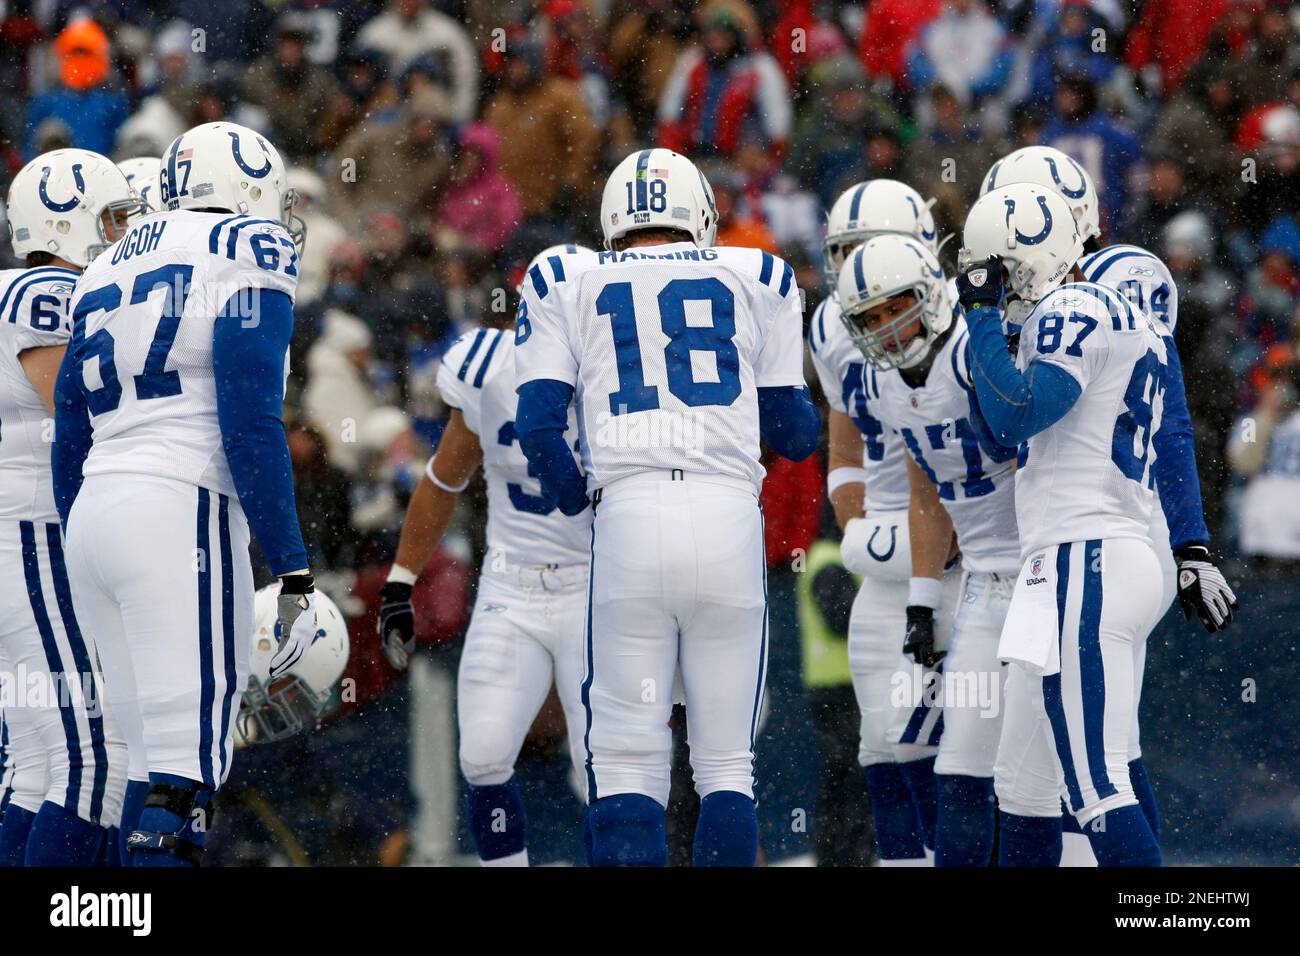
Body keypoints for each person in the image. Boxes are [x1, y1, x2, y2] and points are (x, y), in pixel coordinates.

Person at [513, 147, 819, 866]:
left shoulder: (568, 277)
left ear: (613, 220)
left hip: (627, 514)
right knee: (724, 767)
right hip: (726, 518)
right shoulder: (759, 274)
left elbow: (536, 424)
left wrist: (581, 499)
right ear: (702, 216)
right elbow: (797, 435)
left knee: (623, 761)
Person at [51, 122, 318, 866]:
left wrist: (89, 527)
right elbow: (249, 419)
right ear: (244, 189)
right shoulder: (247, 249)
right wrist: (292, 565)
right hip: (178, 507)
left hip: (98, 511)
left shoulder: (104, 267)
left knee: (141, 764)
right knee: (184, 777)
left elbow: (70, 425)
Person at [956, 182, 1236, 866]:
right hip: (1084, 559)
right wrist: (1191, 545)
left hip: (1086, 556)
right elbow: (1006, 432)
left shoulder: (1076, 305)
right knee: (1022, 786)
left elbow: (1017, 414)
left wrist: (981, 320)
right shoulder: (1125, 322)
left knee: (1096, 785)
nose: (1004, 288)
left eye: (1009, 272)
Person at [376, 244, 594, 867]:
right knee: (483, 754)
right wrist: (400, 579)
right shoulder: (487, 367)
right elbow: (444, 480)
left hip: (597, 588)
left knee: (608, 770)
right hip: (512, 585)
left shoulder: (617, 375)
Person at [836, 233, 1018, 867]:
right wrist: (920, 602)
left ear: (931, 292)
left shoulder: (975, 351)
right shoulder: (885, 384)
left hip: (1040, 569)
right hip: (981, 587)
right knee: (954, 766)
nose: (889, 327)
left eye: (897, 305)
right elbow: (926, 495)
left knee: (1061, 774)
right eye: (871, 318)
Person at [809, 178, 959, 865]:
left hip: (954, 560)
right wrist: (854, 520)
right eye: (848, 254)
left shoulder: (955, 322)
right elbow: (844, 436)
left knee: (949, 752)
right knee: (882, 748)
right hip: (885, 560)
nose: (861, 274)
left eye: (874, 251)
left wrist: (933, 544)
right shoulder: (829, 328)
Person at [0, 149, 134, 865]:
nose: (120, 234)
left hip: (21, 538)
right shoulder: (44, 290)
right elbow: (75, 411)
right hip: (29, 538)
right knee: (92, 759)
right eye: (110, 220)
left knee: (41, 765)